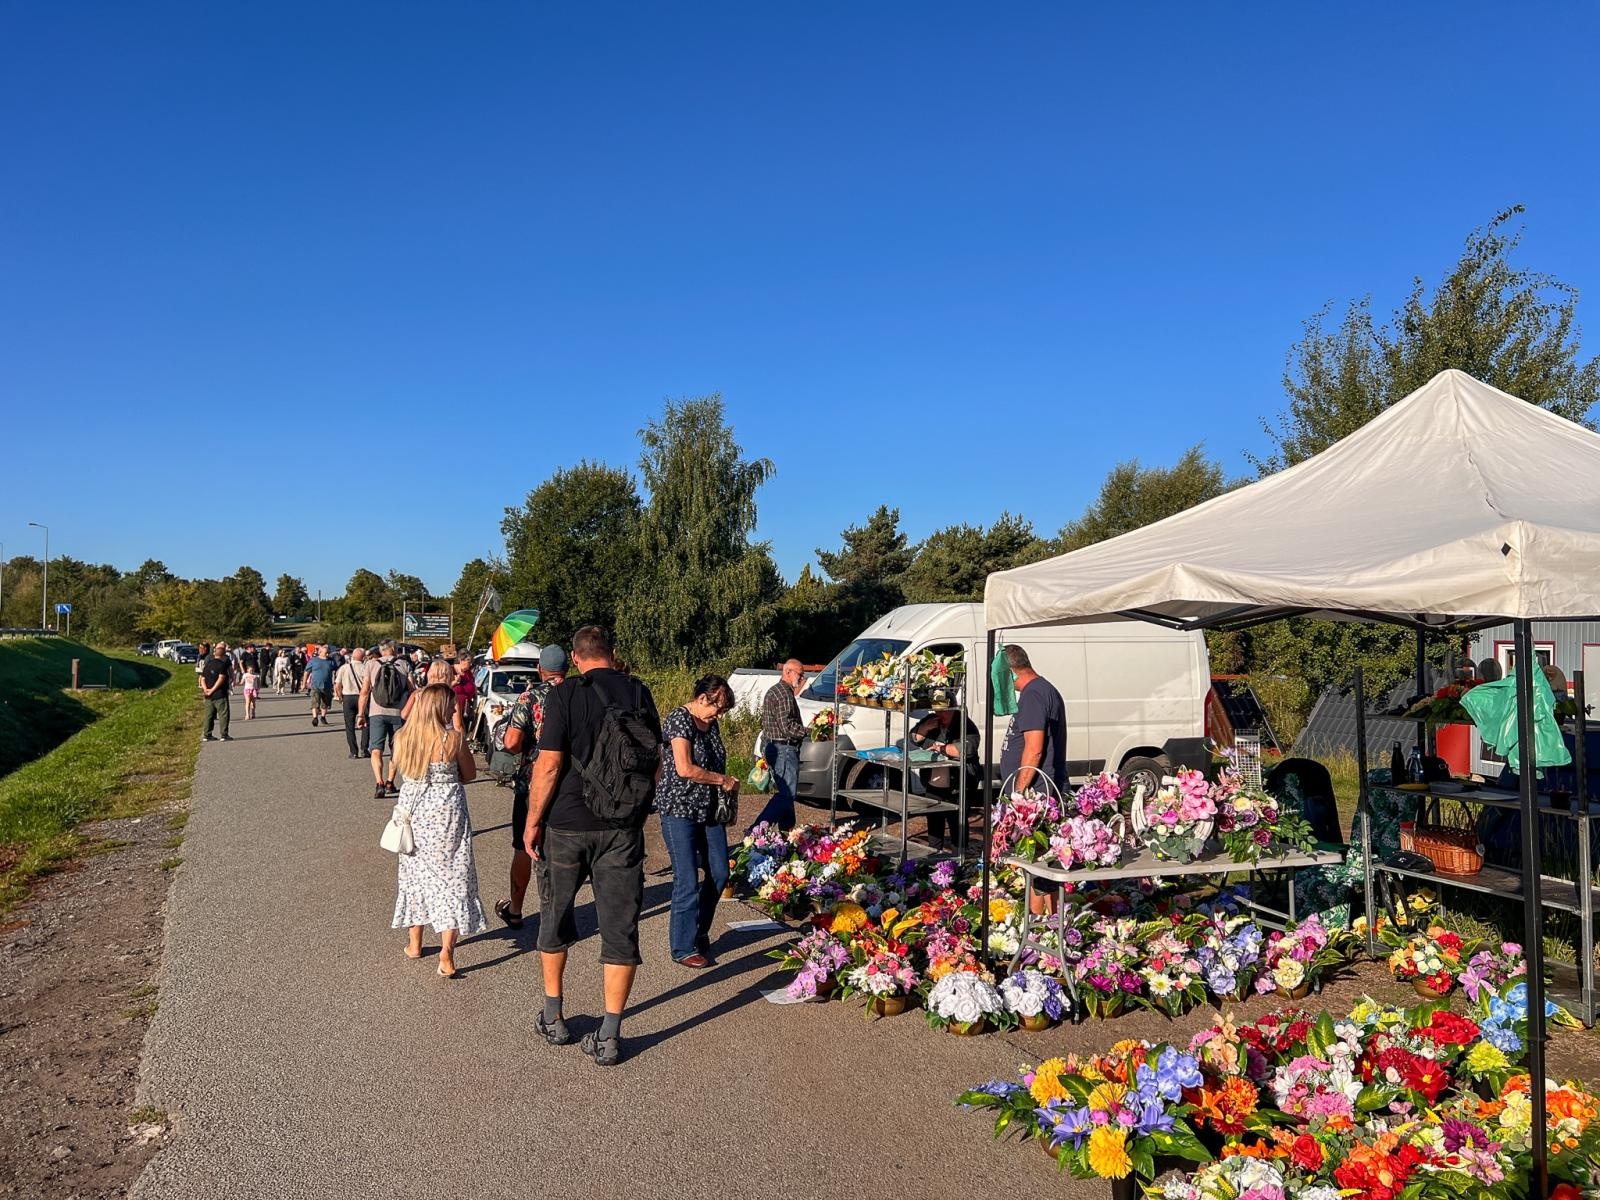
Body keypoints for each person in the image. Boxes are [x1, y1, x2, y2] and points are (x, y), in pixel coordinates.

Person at [522, 626, 661, 1066]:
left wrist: (532, 822)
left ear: (578, 659)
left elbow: (548, 766)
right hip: (623, 826)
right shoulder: (640, 693)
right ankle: (610, 1033)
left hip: (566, 823)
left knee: (556, 913)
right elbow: (654, 763)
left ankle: (553, 1016)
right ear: (613, 655)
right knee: (620, 926)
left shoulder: (564, 695)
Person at [391, 683, 487, 979]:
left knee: (415, 874)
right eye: (451, 705)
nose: (454, 709)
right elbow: (469, 774)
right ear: (442, 708)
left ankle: (415, 942)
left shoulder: (402, 737)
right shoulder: (453, 740)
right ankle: (446, 954)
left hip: (414, 813)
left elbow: (399, 769)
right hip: (447, 816)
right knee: (453, 877)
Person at [657, 674, 738, 968]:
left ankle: (699, 929)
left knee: (719, 872)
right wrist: (723, 780)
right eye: (717, 708)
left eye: (723, 710)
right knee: (687, 878)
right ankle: (682, 946)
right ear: (703, 698)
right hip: (679, 808)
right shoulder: (680, 719)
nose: (719, 714)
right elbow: (684, 768)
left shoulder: (711, 724)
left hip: (708, 810)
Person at [495, 645, 566, 929]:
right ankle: (559, 914)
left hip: (533, 782)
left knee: (523, 847)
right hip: (571, 783)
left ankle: (515, 908)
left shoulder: (531, 696)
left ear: (540, 669)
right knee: (564, 848)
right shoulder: (578, 692)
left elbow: (511, 742)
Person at [996, 644, 1067, 794]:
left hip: (1035, 794)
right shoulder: (1040, 689)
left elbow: (1034, 749)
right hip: (1036, 792)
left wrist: (1019, 792)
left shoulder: (1033, 695)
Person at [908, 706, 981, 852]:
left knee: (958, 824)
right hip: (933, 785)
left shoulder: (965, 725)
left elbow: (967, 748)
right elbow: (913, 738)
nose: (939, 714)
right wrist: (925, 728)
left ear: (954, 709)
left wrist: (941, 749)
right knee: (934, 823)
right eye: (937, 711)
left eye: (944, 711)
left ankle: (959, 859)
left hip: (959, 785)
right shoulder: (931, 720)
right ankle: (933, 858)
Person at [753, 658, 808, 830]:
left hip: (774, 747)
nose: (802, 678)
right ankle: (757, 829)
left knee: (787, 795)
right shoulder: (784, 693)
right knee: (786, 795)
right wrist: (809, 732)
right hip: (783, 749)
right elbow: (787, 727)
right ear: (788, 672)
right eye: (800, 674)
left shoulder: (776, 690)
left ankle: (787, 833)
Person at [360, 639, 415, 800]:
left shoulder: (371, 664)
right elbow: (413, 690)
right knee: (396, 749)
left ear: (381, 650)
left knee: (376, 750)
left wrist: (360, 714)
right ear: (393, 649)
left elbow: (364, 691)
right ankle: (390, 782)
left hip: (377, 712)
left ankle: (379, 782)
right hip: (399, 712)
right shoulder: (404, 665)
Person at [335, 647, 370, 759]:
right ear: (363, 657)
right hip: (362, 697)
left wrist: (340, 696)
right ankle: (364, 749)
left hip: (348, 696)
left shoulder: (344, 668)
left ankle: (353, 751)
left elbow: (338, 685)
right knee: (366, 723)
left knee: (349, 725)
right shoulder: (366, 668)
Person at [200, 644, 234, 742]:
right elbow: (221, 678)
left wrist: (206, 689)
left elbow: (202, 678)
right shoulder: (222, 665)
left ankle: (207, 734)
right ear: (224, 655)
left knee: (209, 715)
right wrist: (213, 689)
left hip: (208, 696)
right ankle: (224, 734)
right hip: (220, 694)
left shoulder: (208, 665)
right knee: (223, 714)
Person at [305, 645, 337, 727]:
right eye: (326, 653)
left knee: (325, 703)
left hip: (327, 686)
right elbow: (306, 672)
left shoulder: (331, 661)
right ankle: (315, 718)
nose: (327, 655)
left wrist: (337, 682)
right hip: (315, 685)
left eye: (328, 653)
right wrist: (304, 683)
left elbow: (337, 671)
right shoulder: (313, 661)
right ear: (320, 652)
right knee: (315, 702)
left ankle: (323, 717)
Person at [451, 651, 478, 735]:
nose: (470, 665)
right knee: (456, 730)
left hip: (465, 708)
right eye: (469, 662)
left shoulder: (468, 673)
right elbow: (443, 687)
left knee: (464, 730)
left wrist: (474, 705)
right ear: (461, 660)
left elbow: (473, 687)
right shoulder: (451, 670)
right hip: (453, 709)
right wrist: (455, 682)